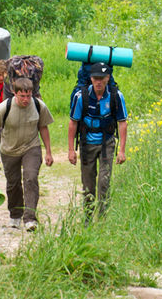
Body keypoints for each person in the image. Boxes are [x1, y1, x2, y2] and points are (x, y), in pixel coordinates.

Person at [0, 76, 54, 231]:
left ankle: (30, 218)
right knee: (13, 183)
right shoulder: (4, 108)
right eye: (22, 96)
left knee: (30, 178)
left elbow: (43, 127)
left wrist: (48, 151)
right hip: (9, 150)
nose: (26, 99)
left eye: (28, 95)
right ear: (14, 93)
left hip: (31, 147)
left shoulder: (38, 105)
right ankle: (15, 214)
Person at [67, 61, 128, 219]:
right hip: (87, 143)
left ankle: (102, 219)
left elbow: (122, 123)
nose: (98, 81)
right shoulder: (82, 96)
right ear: (91, 78)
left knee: (104, 182)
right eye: (95, 78)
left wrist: (121, 151)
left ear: (108, 78)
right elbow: (73, 123)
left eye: (102, 78)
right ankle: (87, 217)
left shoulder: (115, 96)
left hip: (107, 143)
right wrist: (70, 150)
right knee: (88, 184)